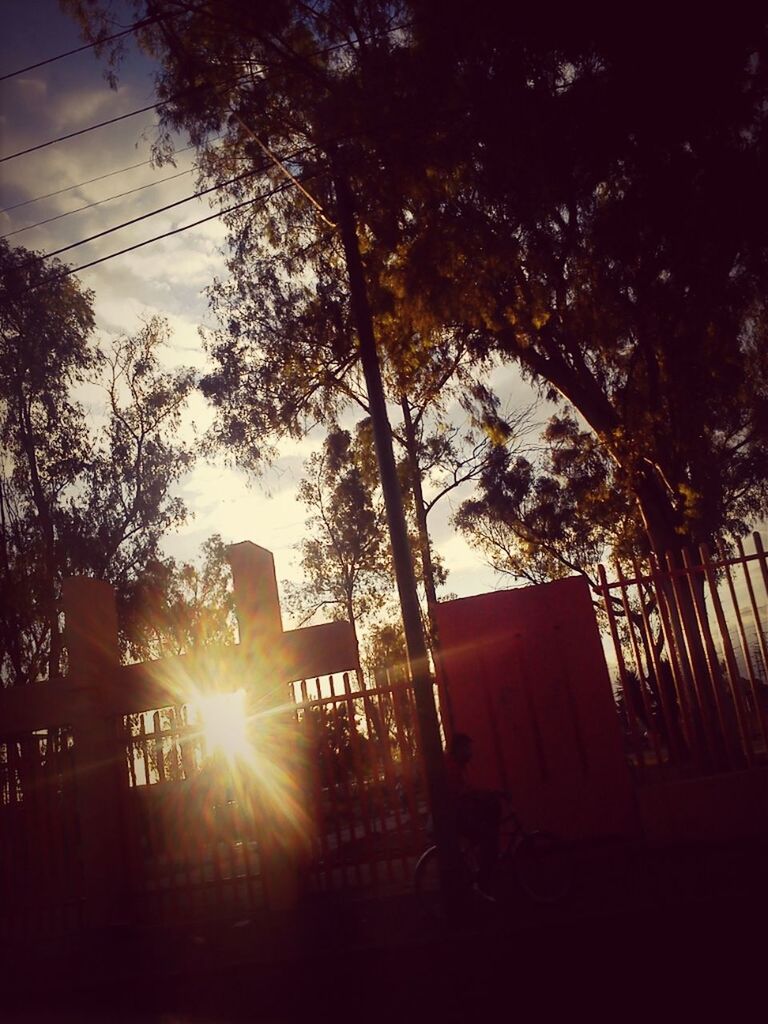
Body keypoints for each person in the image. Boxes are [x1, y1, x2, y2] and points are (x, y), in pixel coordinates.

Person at [445, 732, 502, 896]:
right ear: (459, 750)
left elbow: (468, 791)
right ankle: (481, 881)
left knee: (483, 834)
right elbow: (463, 793)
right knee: (485, 836)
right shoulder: (452, 768)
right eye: (467, 749)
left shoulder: (457, 766)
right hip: (454, 816)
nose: (470, 753)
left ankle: (478, 872)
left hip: (457, 813)